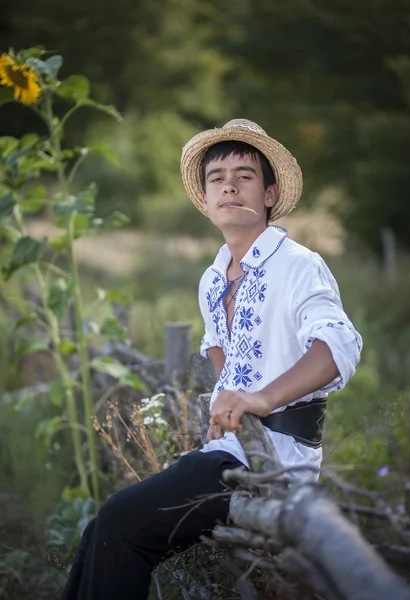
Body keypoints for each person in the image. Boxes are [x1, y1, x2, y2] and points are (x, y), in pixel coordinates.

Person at [61, 118, 362, 600]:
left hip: (278, 461)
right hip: (227, 453)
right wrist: (227, 395)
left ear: (268, 193)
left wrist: (258, 398)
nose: (229, 186)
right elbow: (220, 349)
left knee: (119, 522)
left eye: (244, 175)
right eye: (216, 178)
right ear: (204, 200)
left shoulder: (298, 265)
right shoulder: (212, 278)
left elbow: (339, 346)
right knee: (107, 527)